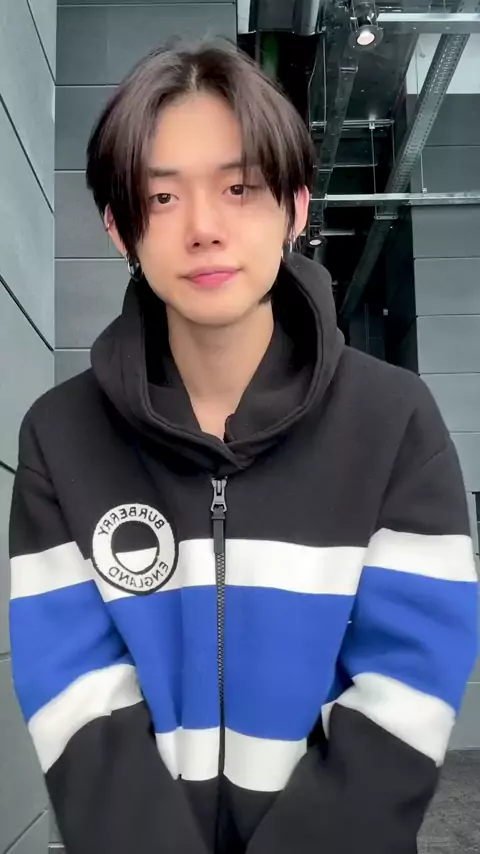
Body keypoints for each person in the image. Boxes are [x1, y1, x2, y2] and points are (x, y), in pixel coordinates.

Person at [9, 39, 478, 854]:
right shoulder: (61, 434)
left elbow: (408, 682)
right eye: (161, 197)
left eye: (239, 188)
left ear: (295, 207)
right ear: (119, 227)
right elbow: (74, 692)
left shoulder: (395, 419)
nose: (204, 228)